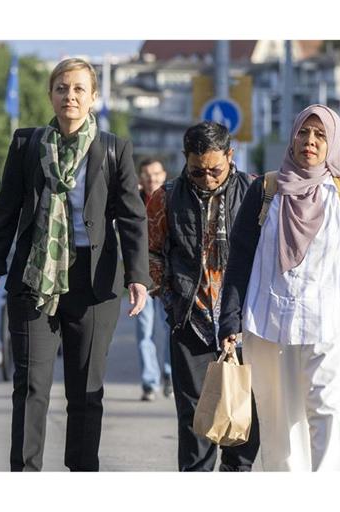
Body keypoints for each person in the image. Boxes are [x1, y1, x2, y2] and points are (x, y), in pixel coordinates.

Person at [0, 57, 151, 471]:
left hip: (93, 284)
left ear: (93, 97)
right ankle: (26, 474)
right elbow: (7, 210)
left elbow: (131, 216)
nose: (69, 96)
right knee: (31, 386)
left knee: (86, 390)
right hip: (35, 278)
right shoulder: (27, 144)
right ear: (51, 95)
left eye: (78, 89)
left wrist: (138, 276)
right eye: (61, 88)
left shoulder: (113, 148)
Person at [218, 104, 340, 471]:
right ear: (292, 137)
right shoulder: (266, 190)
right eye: (303, 133)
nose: (310, 141)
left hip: (327, 321)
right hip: (267, 322)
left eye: (320, 134)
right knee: (279, 419)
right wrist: (228, 320)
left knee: (327, 408)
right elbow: (240, 258)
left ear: (332, 142)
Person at [147, 121, 259, 471]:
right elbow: (152, 252)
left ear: (230, 155)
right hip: (190, 318)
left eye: (215, 170)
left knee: (245, 415)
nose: (207, 178)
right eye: (197, 172)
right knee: (194, 420)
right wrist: (165, 294)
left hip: (245, 318)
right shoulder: (164, 197)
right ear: (185, 160)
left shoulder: (256, 191)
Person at [136, 158, 172, 401]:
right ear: (140, 178)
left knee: (169, 328)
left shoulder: (172, 199)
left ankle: (169, 375)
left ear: (164, 175)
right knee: (143, 331)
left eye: (157, 174)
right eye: (147, 175)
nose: (152, 179)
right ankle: (150, 382)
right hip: (140, 278)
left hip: (168, 276)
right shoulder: (132, 201)